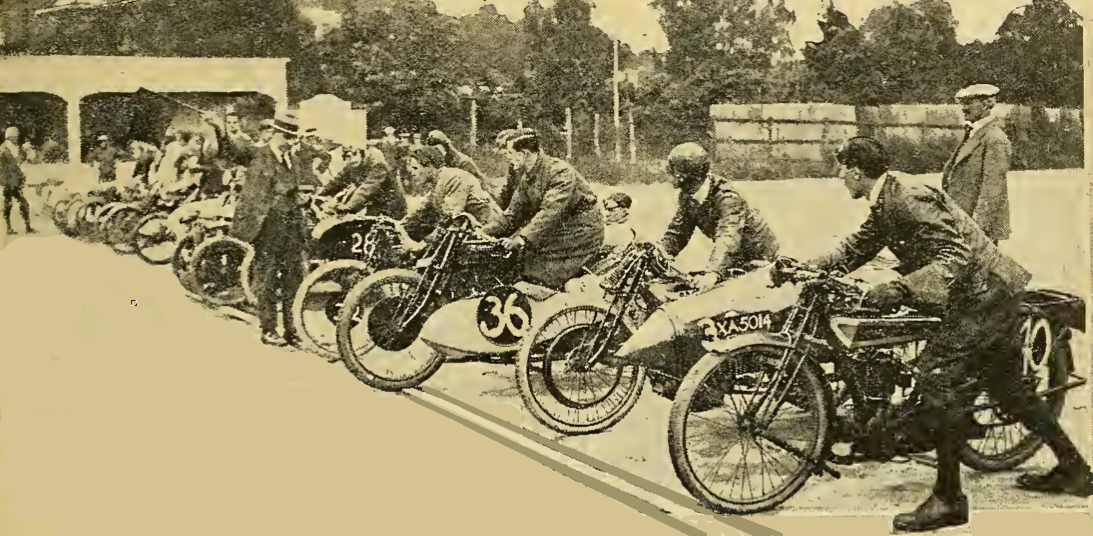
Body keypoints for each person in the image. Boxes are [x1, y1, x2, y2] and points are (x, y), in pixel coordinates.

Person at [799, 137, 1090, 532]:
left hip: (983, 297)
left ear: (855, 169)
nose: (838, 177)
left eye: (840, 169)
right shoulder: (887, 197)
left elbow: (953, 257)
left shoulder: (908, 198)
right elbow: (858, 245)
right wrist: (806, 266)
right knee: (1010, 391)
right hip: (987, 293)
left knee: (937, 380)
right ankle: (1076, 471)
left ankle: (950, 499)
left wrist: (902, 288)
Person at [482, 129, 605, 289]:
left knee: (539, 272)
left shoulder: (560, 171)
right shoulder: (528, 177)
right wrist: (483, 232)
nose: (507, 157)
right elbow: (512, 214)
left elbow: (550, 213)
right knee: (522, 261)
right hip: (560, 228)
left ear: (524, 153)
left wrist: (522, 238)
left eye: (510, 153)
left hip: (582, 230)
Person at [229, 113, 312, 347]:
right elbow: (256, 195)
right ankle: (268, 329)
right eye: (287, 136)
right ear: (276, 134)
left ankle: (291, 330)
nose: (291, 141)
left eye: (293, 137)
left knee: (293, 280)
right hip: (267, 227)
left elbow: (296, 188)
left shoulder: (292, 160)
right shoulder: (259, 156)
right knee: (266, 279)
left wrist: (303, 198)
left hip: (292, 228)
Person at [659, 142, 779, 290]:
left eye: (673, 171)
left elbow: (728, 237)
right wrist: (657, 255)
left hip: (759, 259)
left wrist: (713, 272)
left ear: (685, 175)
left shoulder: (727, 198)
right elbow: (677, 234)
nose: (669, 176)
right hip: (733, 259)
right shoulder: (688, 196)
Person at [942, 84, 1012, 245]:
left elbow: (992, 189)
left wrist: (976, 230)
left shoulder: (995, 138)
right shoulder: (974, 133)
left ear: (986, 104)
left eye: (969, 103)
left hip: (976, 227)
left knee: (978, 269)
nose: (964, 108)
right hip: (961, 221)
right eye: (963, 103)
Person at [401, 145, 503, 245]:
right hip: (472, 232)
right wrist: (401, 226)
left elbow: (450, 219)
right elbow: (422, 213)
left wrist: (425, 243)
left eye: (415, 168)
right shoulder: (436, 184)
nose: (411, 173)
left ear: (430, 166)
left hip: (492, 232)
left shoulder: (452, 177)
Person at [316, 146, 407, 221]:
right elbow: (337, 181)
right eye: (347, 156)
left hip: (390, 209)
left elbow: (366, 189)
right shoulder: (354, 164)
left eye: (354, 153)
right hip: (370, 206)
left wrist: (347, 207)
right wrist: (318, 194)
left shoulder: (378, 166)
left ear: (362, 152)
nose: (351, 159)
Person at [0, 127, 35, 234]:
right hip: (8, 180)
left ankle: (27, 227)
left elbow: (27, 157)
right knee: (9, 204)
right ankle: (9, 228)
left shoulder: (17, 147)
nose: (16, 137)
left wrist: (28, 151)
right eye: (14, 135)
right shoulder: (4, 148)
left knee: (21, 203)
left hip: (16, 180)